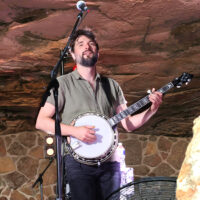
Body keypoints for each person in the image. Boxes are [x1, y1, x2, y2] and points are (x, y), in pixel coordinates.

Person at [35, 29, 163, 200]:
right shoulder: (61, 84)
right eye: (81, 44)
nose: (87, 47)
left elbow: (128, 124)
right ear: (73, 54)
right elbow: (41, 122)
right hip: (78, 164)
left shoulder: (112, 86)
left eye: (91, 44)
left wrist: (151, 109)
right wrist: (75, 131)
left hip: (110, 164)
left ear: (98, 52)